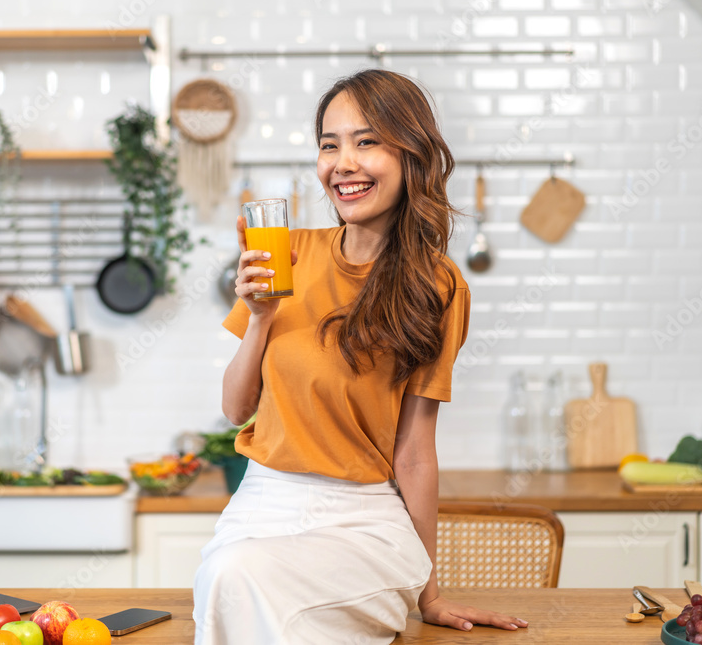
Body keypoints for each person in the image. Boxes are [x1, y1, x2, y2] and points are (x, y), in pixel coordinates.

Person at [192, 68, 528, 644]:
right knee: (232, 576)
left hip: (365, 521)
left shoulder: (438, 286)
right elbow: (234, 409)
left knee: (246, 587)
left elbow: (416, 452)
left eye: (366, 141)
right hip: (260, 506)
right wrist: (262, 319)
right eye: (329, 145)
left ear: (411, 155)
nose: (342, 162)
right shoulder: (288, 254)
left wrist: (429, 591)